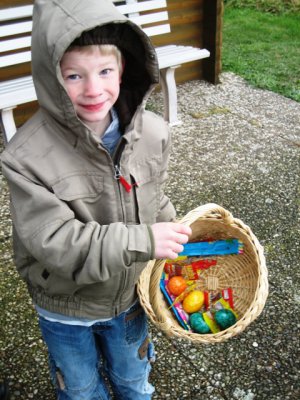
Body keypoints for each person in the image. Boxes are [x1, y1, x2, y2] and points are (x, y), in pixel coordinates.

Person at [1, 0, 191, 399]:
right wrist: (144, 241)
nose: (93, 90)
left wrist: (176, 231)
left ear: (123, 69)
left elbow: (153, 197)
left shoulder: (153, 132)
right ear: (50, 79)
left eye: (105, 71)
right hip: (66, 306)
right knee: (81, 388)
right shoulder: (24, 157)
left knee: (132, 379)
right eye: (73, 76)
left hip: (128, 297)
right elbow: (56, 241)